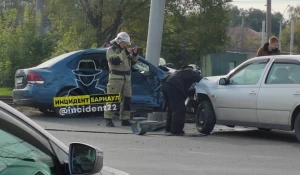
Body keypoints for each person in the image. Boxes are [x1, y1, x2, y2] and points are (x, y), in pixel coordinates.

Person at [104, 32, 138, 127]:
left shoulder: (125, 51)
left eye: (126, 43)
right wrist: (125, 52)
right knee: (112, 99)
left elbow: (134, 62)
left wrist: (135, 54)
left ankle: (125, 119)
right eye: (124, 43)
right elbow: (114, 61)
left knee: (127, 99)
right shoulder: (111, 50)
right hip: (115, 78)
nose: (125, 45)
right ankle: (108, 118)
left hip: (126, 78)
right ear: (118, 41)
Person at [162, 64, 202, 135]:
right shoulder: (192, 73)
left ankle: (168, 129)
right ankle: (176, 131)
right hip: (174, 87)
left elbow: (188, 89)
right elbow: (203, 80)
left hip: (166, 85)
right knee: (179, 110)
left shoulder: (181, 73)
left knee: (171, 109)